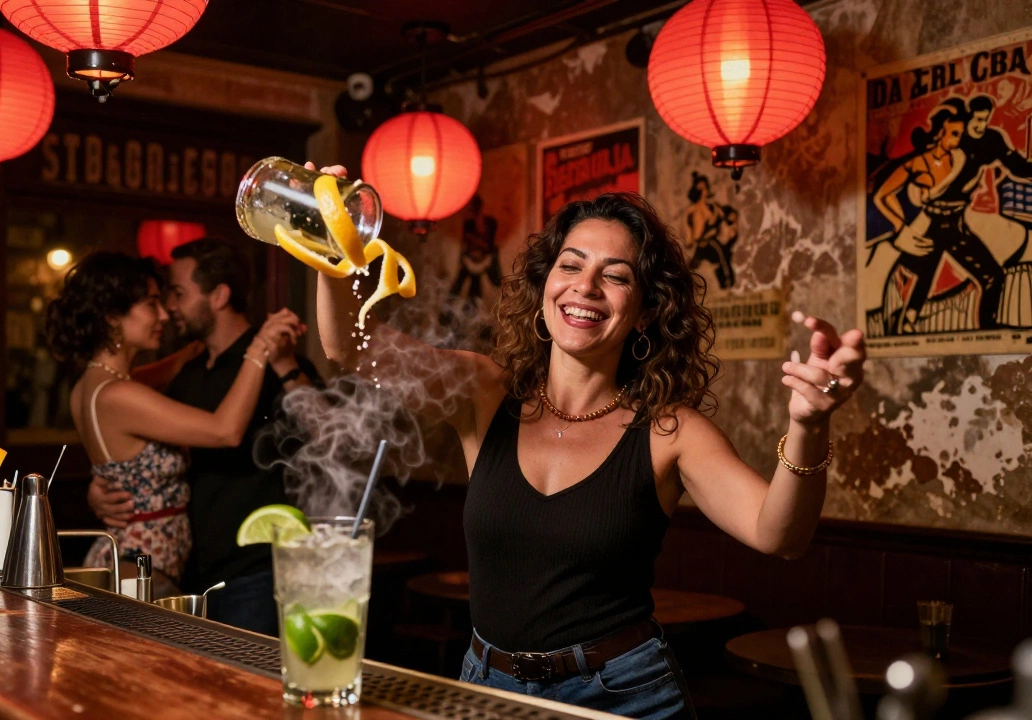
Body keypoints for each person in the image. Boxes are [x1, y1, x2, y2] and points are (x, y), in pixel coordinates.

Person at [311, 164, 865, 719]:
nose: (585, 286)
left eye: (616, 275)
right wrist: (327, 242)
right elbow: (348, 347)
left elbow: (780, 536)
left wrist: (810, 424)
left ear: (646, 311)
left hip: (622, 697)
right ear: (545, 286)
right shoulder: (482, 393)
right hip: (486, 689)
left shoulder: (670, 431)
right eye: (570, 265)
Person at [87, 238, 320, 635]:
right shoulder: (188, 369)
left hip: (257, 570)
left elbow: (327, 434)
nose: (170, 308)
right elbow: (128, 425)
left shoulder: (274, 356)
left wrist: (285, 366)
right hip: (195, 571)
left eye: (178, 294)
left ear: (219, 296)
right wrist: (103, 486)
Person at [873, 102, 1005, 333]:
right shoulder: (919, 162)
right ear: (939, 134)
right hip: (940, 225)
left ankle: (910, 320)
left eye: (960, 134)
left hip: (953, 225)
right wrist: (900, 226)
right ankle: (985, 328)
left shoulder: (961, 158)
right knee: (988, 275)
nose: (958, 139)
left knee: (931, 272)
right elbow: (882, 196)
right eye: (954, 134)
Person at [682, 172, 737, 290]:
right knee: (690, 271)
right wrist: (689, 241)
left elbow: (726, 218)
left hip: (712, 243)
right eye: (700, 189)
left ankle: (726, 285)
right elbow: (689, 234)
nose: (703, 191)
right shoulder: (691, 211)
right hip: (700, 245)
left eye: (705, 187)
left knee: (722, 263)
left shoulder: (713, 207)